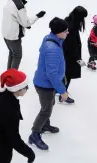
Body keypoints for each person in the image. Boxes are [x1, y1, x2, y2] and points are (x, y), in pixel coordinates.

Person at [29, 17, 69, 150]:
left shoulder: (50, 38)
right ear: (58, 33)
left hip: (45, 83)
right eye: (65, 31)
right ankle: (35, 134)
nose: (67, 33)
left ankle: (45, 125)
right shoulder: (53, 49)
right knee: (45, 110)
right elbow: (51, 74)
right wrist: (63, 91)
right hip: (45, 85)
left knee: (50, 104)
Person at [2, 0, 46, 69]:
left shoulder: (10, 1)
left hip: (6, 33)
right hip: (13, 36)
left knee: (12, 53)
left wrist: (23, 24)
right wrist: (38, 16)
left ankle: (9, 74)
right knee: (17, 55)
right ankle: (12, 78)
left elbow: (14, 17)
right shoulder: (19, 5)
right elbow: (26, 23)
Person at [61, 6, 88, 103]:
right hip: (69, 56)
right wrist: (78, 59)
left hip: (65, 53)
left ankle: (59, 90)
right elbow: (71, 46)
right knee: (67, 74)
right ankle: (63, 95)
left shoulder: (68, 21)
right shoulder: (71, 28)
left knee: (64, 74)